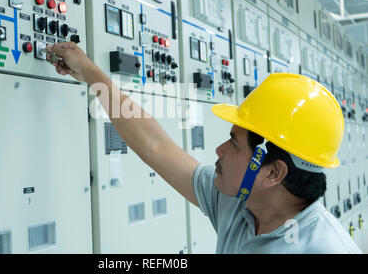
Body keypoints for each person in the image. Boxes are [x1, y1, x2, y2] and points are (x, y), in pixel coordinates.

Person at [46, 42, 362, 254]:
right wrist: (93, 75)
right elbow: (156, 146)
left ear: (272, 173)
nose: (219, 150)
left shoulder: (323, 248)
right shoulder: (237, 202)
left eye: (234, 144)